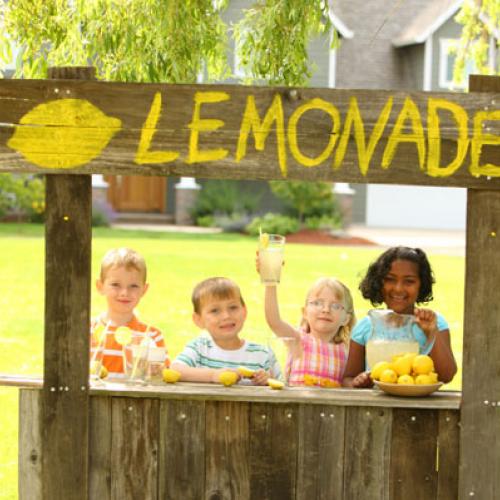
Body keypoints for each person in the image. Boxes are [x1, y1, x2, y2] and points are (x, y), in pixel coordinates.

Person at [342, 246, 457, 388]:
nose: (398, 288)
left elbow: (447, 376)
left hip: (419, 407)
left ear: (421, 285)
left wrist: (432, 332)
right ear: (379, 282)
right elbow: (348, 378)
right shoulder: (366, 327)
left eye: (409, 281)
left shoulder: (435, 322)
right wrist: (356, 382)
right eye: (390, 279)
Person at [171, 277, 280, 385]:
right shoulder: (199, 348)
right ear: (198, 320)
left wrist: (267, 380)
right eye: (215, 311)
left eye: (233, 307)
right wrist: (213, 375)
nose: (226, 316)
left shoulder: (262, 354)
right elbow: (175, 369)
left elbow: (282, 384)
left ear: (244, 311)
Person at [263, 275, 356, 387]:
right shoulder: (297, 340)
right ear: (305, 312)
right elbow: (274, 321)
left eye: (335, 306)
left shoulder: (347, 351)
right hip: (295, 403)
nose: (326, 310)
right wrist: (270, 281)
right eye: (317, 303)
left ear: (346, 319)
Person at [90, 247, 168, 378]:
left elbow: (162, 375)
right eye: (115, 284)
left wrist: (156, 371)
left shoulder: (152, 336)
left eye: (133, 286)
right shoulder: (86, 331)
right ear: (100, 286)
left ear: (144, 290)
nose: (124, 293)